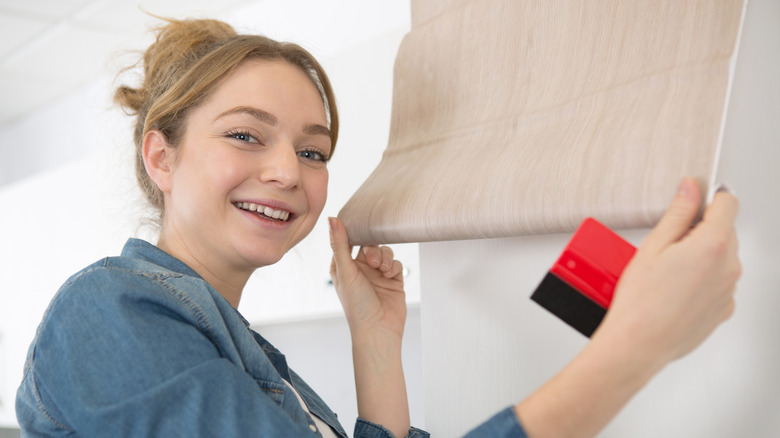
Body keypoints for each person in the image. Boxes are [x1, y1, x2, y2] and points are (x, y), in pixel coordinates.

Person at [15, 17, 740, 438]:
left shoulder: (243, 354)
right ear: (161, 156)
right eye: (245, 136)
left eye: (312, 151)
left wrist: (376, 346)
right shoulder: (108, 312)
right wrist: (633, 349)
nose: (287, 172)